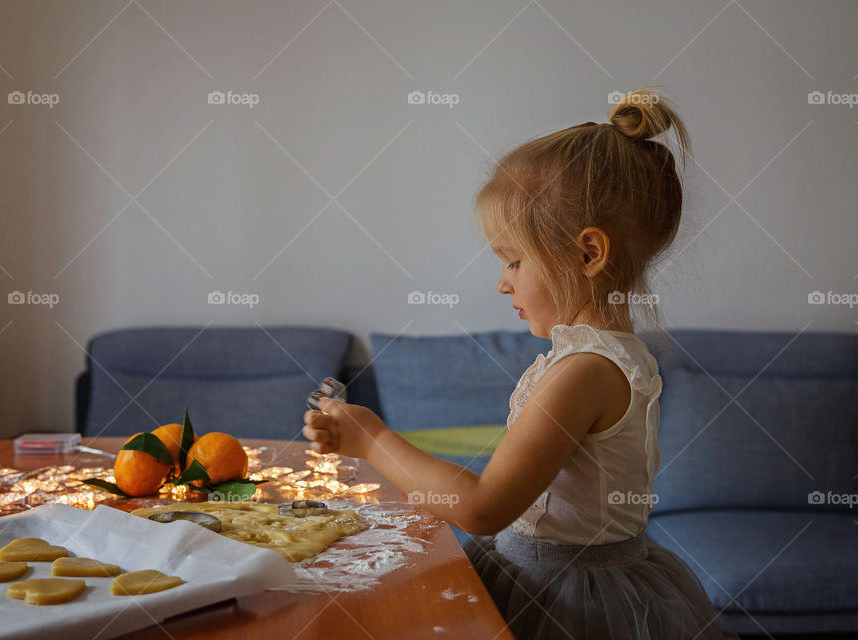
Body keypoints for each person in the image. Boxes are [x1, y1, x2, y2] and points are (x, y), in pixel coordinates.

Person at [302, 87, 740, 640]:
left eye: (513, 259)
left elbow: (484, 508)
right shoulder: (603, 356)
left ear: (588, 254)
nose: (503, 281)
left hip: (561, 600)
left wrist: (371, 439)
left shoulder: (585, 372)